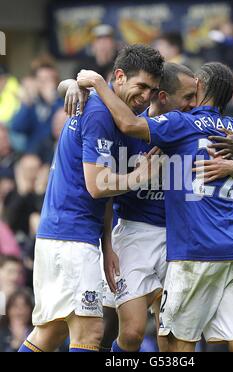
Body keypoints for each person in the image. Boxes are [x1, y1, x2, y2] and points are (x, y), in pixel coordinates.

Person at [66, 62, 233, 352]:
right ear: (164, 96)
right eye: (188, 97)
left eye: (196, 95)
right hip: (134, 234)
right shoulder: (127, 124)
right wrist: (72, 85)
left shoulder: (187, 127)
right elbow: (102, 189)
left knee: (171, 338)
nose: (193, 104)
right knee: (132, 333)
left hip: (177, 237)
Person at [18, 44, 164, 353]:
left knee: (51, 333)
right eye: (141, 86)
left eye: (152, 90)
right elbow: (97, 185)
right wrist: (140, 176)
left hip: (62, 234)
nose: (147, 96)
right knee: (90, 331)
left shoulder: (108, 109)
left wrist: (107, 243)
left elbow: (105, 193)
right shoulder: (99, 112)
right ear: (120, 77)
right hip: (71, 237)